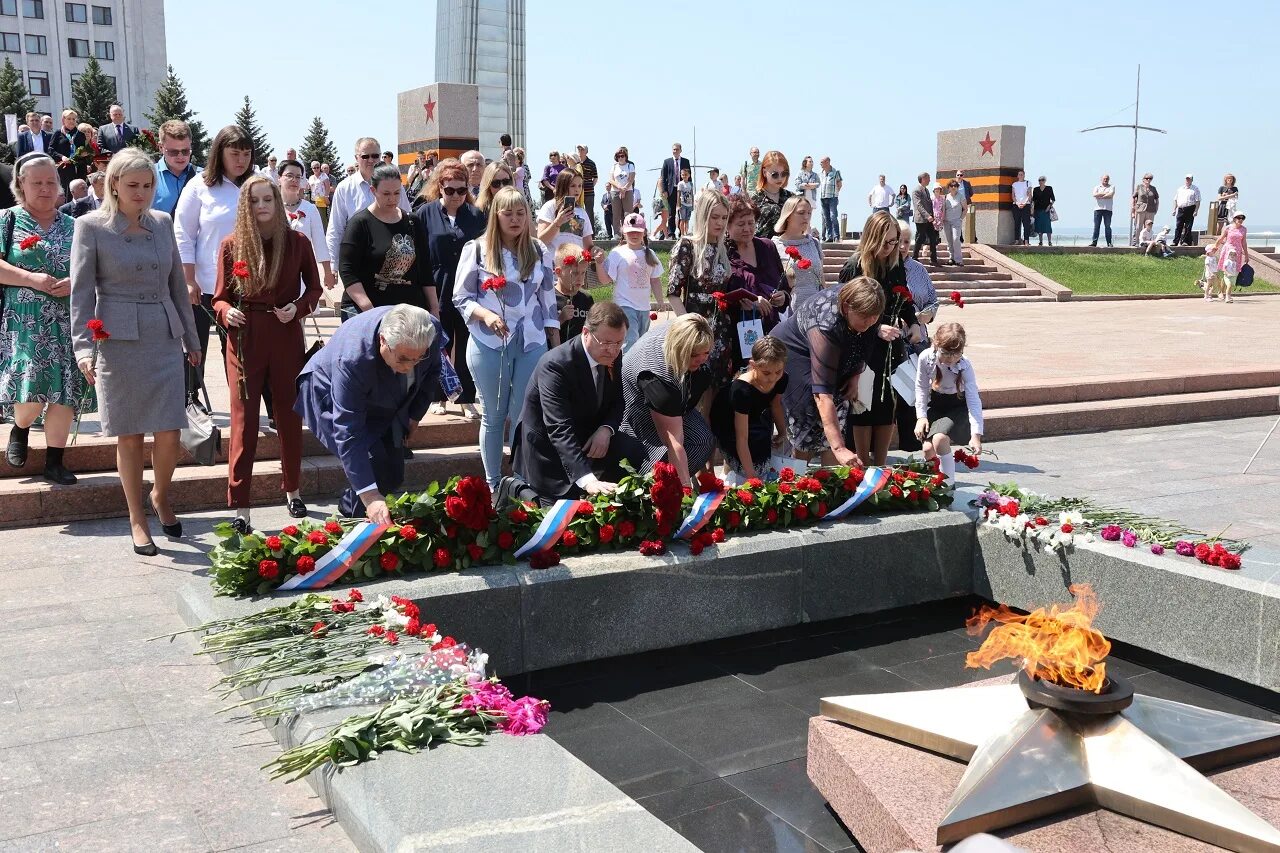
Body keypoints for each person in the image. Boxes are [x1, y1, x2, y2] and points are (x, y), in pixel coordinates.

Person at [69, 148, 201, 555]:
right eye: (133, 186)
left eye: (147, 185)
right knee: (128, 434)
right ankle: (136, 517)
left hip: (163, 336)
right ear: (113, 185)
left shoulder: (163, 223)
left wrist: (191, 338)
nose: (141, 193)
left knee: (169, 429)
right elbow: (80, 292)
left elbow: (177, 286)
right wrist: (83, 348)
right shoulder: (90, 226)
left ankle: (160, 494)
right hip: (117, 340)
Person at [211, 176, 322, 532]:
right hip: (244, 338)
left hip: (285, 331)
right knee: (244, 420)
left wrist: (299, 308)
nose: (262, 206)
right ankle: (240, 504)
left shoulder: (297, 241)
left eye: (267, 200)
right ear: (246, 205)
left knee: (289, 415)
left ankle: (293, 490)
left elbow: (315, 289)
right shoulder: (232, 245)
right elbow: (220, 297)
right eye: (255, 201)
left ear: (277, 202)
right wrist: (227, 312)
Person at [453, 186, 560, 487]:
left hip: (532, 340)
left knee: (524, 414)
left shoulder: (539, 250)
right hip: (489, 341)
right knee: (495, 414)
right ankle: (493, 484)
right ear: (495, 216)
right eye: (507, 213)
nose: (515, 219)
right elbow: (460, 298)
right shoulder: (475, 249)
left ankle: (521, 482)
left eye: (521, 213)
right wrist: (486, 315)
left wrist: (554, 339)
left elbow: (548, 299)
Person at [295, 304, 441, 523]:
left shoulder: (429, 330)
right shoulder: (353, 358)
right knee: (373, 466)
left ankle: (352, 506)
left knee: (393, 473)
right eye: (403, 359)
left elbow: (432, 372)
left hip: (385, 396)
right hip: (328, 393)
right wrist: (371, 496)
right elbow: (349, 431)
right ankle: (357, 530)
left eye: (417, 358)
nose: (411, 367)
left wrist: (415, 415)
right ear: (383, 340)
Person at [0, 153, 94, 485]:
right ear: (20, 185)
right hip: (24, 322)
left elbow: (94, 269)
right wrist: (30, 279)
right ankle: (20, 426)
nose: (44, 188)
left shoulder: (78, 226)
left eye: (50, 182)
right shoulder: (5, 220)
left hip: (69, 320)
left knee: (65, 388)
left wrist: (76, 282)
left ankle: (55, 461)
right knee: (28, 395)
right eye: (36, 182)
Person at [513, 301, 648, 502]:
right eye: (606, 343)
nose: (613, 350)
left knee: (631, 450)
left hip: (587, 434)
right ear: (586, 332)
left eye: (619, 343)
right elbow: (559, 428)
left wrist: (605, 429)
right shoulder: (556, 365)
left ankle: (605, 499)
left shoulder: (612, 355)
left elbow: (618, 401)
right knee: (561, 520)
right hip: (548, 450)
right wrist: (587, 480)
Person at [175, 125, 256, 403]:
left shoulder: (254, 186)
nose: (241, 160)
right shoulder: (199, 186)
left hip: (243, 286)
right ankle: (189, 400)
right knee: (194, 346)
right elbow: (182, 233)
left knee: (237, 351)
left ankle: (240, 401)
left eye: (246, 153)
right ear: (219, 153)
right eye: (234, 153)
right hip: (204, 284)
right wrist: (188, 279)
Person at [772, 277, 885, 465]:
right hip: (794, 351)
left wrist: (856, 373)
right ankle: (799, 481)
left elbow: (866, 341)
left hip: (834, 346)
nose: (871, 321)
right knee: (807, 418)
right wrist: (840, 448)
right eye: (865, 317)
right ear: (847, 307)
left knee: (840, 399)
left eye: (875, 316)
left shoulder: (872, 305)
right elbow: (822, 395)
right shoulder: (825, 324)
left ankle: (831, 484)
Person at [838, 211, 921, 465]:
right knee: (863, 402)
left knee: (887, 403)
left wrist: (914, 322)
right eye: (886, 242)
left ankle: (881, 463)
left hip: (890, 345)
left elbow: (904, 299)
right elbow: (843, 310)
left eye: (895, 242)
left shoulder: (895, 265)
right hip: (862, 343)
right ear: (872, 238)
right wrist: (876, 329)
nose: (891, 248)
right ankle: (862, 463)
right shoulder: (855, 265)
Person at [415, 160, 483, 420]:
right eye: (450, 190)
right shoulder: (424, 213)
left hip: (468, 287)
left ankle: (466, 397)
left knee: (466, 342)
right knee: (437, 343)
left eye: (461, 190)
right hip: (436, 286)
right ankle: (437, 396)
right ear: (439, 187)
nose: (456, 195)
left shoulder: (476, 216)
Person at [619, 313, 715, 486]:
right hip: (639, 403)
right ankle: (656, 487)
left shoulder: (692, 328)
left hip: (677, 387)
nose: (701, 359)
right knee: (659, 456)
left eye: (706, 352)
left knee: (703, 439)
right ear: (680, 348)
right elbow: (673, 442)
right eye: (694, 355)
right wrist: (683, 492)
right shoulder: (657, 378)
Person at [338, 164, 437, 318]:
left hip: (408, 312)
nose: (392, 199)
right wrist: (371, 312)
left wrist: (434, 309)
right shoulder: (359, 223)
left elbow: (425, 270)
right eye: (386, 194)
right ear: (373, 191)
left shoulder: (413, 222)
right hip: (368, 311)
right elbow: (347, 272)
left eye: (397, 193)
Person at [667, 190, 734, 393]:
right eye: (715, 217)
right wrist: (689, 329)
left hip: (721, 327)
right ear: (703, 215)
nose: (720, 223)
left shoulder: (724, 248)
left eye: (724, 217)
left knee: (716, 389)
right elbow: (672, 292)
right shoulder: (687, 245)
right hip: (695, 326)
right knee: (695, 388)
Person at [325, 137, 411, 290]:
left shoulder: (394, 184)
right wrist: (333, 265)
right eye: (365, 156)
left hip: (391, 261)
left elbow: (407, 218)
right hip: (357, 261)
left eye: (375, 156)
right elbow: (335, 229)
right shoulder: (345, 188)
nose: (371, 160)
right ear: (356, 158)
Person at [710, 335, 788, 483]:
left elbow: (775, 404)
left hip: (757, 413)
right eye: (766, 373)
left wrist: (782, 431)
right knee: (746, 467)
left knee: (762, 452)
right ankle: (730, 472)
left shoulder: (782, 378)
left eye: (778, 371)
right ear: (753, 365)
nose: (772, 378)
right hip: (728, 420)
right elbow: (741, 437)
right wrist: (752, 477)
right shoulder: (742, 390)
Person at [914, 322, 984, 483]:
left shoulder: (964, 364)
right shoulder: (926, 357)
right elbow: (921, 388)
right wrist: (921, 417)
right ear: (936, 345)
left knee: (939, 439)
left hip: (957, 406)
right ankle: (932, 484)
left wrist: (976, 435)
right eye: (945, 353)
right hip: (937, 404)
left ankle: (948, 485)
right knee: (927, 449)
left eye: (956, 354)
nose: (950, 359)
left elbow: (973, 399)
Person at [594, 213, 663, 350]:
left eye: (637, 231)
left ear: (644, 232)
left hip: (644, 307)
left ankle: (637, 369)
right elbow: (605, 280)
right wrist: (599, 264)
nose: (634, 235)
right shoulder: (617, 253)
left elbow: (655, 280)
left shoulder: (650, 254)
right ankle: (626, 370)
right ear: (623, 233)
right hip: (624, 305)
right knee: (630, 341)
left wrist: (660, 301)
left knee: (642, 343)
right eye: (630, 232)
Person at [278, 158, 335, 292]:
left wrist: (327, 272)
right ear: (279, 178)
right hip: (276, 273)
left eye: (298, 177)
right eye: (289, 176)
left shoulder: (310, 209)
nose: (294, 180)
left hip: (302, 273)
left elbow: (320, 242)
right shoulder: (271, 207)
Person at [773, 196, 822, 312]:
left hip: (815, 310)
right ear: (788, 216)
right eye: (801, 213)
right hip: (790, 312)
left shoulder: (814, 243)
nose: (806, 217)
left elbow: (821, 280)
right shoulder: (774, 246)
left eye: (809, 213)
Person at [536, 169, 594, 262]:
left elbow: (588, 245)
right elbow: (541, 241)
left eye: (580, 186)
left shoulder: (582, 212)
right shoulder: (550, 206)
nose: (577, 189)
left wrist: (596, 251)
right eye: (573, 186)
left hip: (576, 268)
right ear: (563, 186)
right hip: (554, 267)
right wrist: (557, 223)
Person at [152, 120, 200, 217]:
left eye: (185, 151)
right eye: (173, 152)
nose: (180, 156)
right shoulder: (149, 176)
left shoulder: (203, 176)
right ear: (161, 147)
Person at [553, 241, 594, 342]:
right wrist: (561, 319)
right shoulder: (551, 297)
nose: (579, 278)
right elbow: (544, 332)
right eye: (574, 273)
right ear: (558, 272)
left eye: (583, 273)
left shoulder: (586, 298)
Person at [751, 151, 793, 238]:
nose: (780, 178)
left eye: (784, 174)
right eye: (775, 175)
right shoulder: (753, 199)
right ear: (764, 172)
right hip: (762, 248)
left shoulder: (791, 198)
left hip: (787, 248)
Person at [1211, 212, 1249, 304]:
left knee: (1233, 274)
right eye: (1238, 218)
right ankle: (1223, 293)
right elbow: (1221, 238)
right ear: (1234, 218)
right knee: (1226, 273)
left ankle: (1225, 292)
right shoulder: (1228, 228)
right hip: (1228, 251)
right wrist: (1215, 247)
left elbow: (1244, 242)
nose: (1240, 220)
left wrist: (1246, 254)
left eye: (1242, 218)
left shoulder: (1244, 229)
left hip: (1237, 253)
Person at [49, 109, 88, 197]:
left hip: (78, 168)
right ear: (63, 120)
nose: (72, 121)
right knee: (66, 192)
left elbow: (84, 150)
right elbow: (51, 150)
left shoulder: (80, 134)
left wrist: (83, 154)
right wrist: (61, 157)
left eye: (74, 119)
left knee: (80, 191)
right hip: (64, 167)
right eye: (69, 119)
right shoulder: (58, 133)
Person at [661, 143, 691, 234]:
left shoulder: (686, 161)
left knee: (682, 213)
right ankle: (671, 232)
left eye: (677, 149)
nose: (675, 151)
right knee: (671, 213)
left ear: (680, 150)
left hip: (683, 191)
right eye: (674, 149)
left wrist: (690, 189)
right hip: (671, 190)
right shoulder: (667, 162)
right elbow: (663, 177)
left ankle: (681, 232)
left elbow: (689, 177)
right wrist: (664, 190)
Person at [911, 172, 938, 265]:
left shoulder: (926, 190)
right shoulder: (916, 190)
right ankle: (914, 257)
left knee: (933, 238)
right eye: (928, 178)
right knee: (920, 238)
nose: (930, 180)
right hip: (921, 219)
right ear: (923, 179)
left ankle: (934, 259)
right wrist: (927, 216)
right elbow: (918, 205)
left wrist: (932, 217)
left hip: (929, 219)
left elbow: (929, 204)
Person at [1130, 173, 1159, 246]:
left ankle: (1147, 242)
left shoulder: (1153, 188)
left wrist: (1156, 209)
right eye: (1147, 178)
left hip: (1151, 210)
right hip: (1140, 210)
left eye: (1150, 178)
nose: (1148, 180)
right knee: (1138, 227)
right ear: (1143, 179)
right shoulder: (1139, 187)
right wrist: (1133, 211)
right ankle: (1136, 242)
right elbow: (1133, 198)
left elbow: (1157, 199)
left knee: (1148, 226)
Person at [943, 180, 967, 263]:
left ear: (957, 187)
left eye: (955, 186)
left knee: (956, 239)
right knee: (949, 240)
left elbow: (965, 209)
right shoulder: (946, 197)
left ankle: (958, 260)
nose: (953, 187)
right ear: (948, 188)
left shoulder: (961, 196)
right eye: (951, 186)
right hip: (946, 221)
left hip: (956, 221)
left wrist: (960, 219)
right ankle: (951, 258)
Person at [1173, 174, 1201, 246]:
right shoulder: (1180, 189)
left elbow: (1198, 201)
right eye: (1186, 179)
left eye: (1189, 179)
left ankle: (1186, 241)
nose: (1187, 180)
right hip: (1180, 208)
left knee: (1188, 226)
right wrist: (1174, 209)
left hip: (1190, 208)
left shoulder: (1195, 189)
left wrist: (1196, 210)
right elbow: (1175, 199)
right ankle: (1175, 241)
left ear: (1192, 180)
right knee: (1178, 225)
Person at [575, 144, 598, 230]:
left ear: (586, 151)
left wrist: (591, 185)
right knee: (577, 211)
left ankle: (591, 233)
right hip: (577, 192)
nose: (580, 151)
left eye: (582, 149)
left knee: (589, 213)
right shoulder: (576, 163)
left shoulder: (591, 163)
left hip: (589, 192)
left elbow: (595, 177)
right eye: (579, 149)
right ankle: (578, 231)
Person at [1090, 175, 1115, 247]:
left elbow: (1110, 195)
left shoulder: (1112, 187)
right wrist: (1105, 194)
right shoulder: (1097, 187)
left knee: (1107, 226)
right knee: (1096, 226)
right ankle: (1094, 242)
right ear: (1101, 179)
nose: (1105, 180)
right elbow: (1094, 195)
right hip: (1098, 209)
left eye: (1107, 179)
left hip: (1108, 209)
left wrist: (1100, 195)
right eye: (1104, 179)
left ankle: (1109, 243)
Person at [1031, 176, 1055, 247]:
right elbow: (1033, 200)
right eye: (1039, 180)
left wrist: (1049, 206)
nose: (1041, 181)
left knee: (1048, 226)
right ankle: (1040, 242)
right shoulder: (1035, 189)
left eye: (1042, 180)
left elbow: (1053, 199)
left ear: (1045, 181)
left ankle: (1049, 242)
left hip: (1046, 210)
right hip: (1037, 210)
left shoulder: (1049, 188)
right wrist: (1032, 210)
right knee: (1039, 227)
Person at [1010, 169, 1031, 245]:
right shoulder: (1014, 184)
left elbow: (1029, 194)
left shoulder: (1028, 183)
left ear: (1024, 175)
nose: (1020, 175)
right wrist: (1017, 203)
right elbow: (1013, 195)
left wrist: (1024, 203)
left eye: (1022, 174)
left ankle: (1026, 240)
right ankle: (1016, 240)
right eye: (1019, 174)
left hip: (1026, 205)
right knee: (1017, 224)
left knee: (1026, 224)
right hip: (1016, 205)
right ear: (1017, 176)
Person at [308, 161, 331, 227]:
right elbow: (309, 188)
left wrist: (326, 196)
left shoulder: (324, 175)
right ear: (312, 168)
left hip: (322, 200)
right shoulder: (311, 177)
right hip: (313, 200)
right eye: (314, 168)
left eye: (317, 167)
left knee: (322, 218)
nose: (316, 169)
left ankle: (325, 234)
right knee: (314, 218)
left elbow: (328, 186)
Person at [675, 167, 695, 235]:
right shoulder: (680, 184)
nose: (684, 176)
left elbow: (692, 194)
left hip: (689, 204)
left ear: (689, 175)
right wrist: (678, 204)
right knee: (682, 219)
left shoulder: (690, 184)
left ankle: (686, 232)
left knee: (687, 220)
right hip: (682, 203)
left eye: (686, 174)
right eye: (683, 174)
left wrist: (693, 203)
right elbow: (678, 194)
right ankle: (682, 233)